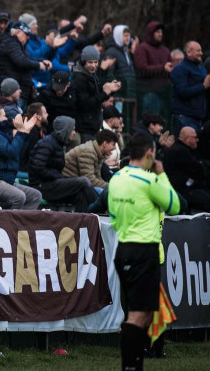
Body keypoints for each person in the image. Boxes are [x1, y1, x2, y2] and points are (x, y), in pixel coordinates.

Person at [107, 134, 181, 371]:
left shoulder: (116, 178)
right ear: (149, 153)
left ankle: (134, 363)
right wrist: (162, 174)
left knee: (140, 313)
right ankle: (131, 366)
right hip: (144, 251)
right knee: (139, 316)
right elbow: (175, 205)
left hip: (124, 248)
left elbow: (113, 214)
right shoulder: (149, 181)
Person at [28, 115, 99, 211]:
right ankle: (101, 211)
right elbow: (38, 168)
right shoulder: (47, 143)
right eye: (72, 130)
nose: (74, 133)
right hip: (41, 186)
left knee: (80, 195)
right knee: (83, 181)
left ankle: (84, 223)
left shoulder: (58, 143)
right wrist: (57, 176)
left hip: (51, 184)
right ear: (65, 130)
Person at [73, 45, 121, 141]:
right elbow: (86, 103)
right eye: (90, 62)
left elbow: (96, 93)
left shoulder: (91, 75)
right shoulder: (79, 79)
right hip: (85, 128)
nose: (94, 65)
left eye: (95, 62)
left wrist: (110, 89)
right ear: (83, 62)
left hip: (93, 127)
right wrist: (105, 93)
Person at [163, 127, 209, 211]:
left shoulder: (177, 149)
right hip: (181, 192)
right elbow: (200, 173)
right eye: (195, 137)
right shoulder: (182, 152)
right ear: (187, 139)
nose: (197, 140)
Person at [134, 21, 173, 120]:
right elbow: (141, 68)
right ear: (151, 33)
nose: (160, 34)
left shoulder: (165, 50)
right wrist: (162, 68)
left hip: (164, 92)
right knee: (151, 120)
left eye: (161, 32)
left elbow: (170, 67)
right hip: (148, 91)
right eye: (157, 32)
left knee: (164, 123)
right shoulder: (142, 48)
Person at [170, 41, 208, 133]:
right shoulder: (180, 69)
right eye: (198, 51)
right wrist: (203, 86)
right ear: (188, 52)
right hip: (185, 116)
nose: (201, 53)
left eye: (201, 51)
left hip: (198, 117)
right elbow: (182, 91)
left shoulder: (201, 68)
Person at [63, 129, 117, 194]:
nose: (114, 148)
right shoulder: (88, 152)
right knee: (102, 193)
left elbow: (97, 176)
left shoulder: (98, 152)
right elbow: (90, 180)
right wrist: (111, 187)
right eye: (113, 144)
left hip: (77, 182)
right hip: (68, 183)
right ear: (105, 143)